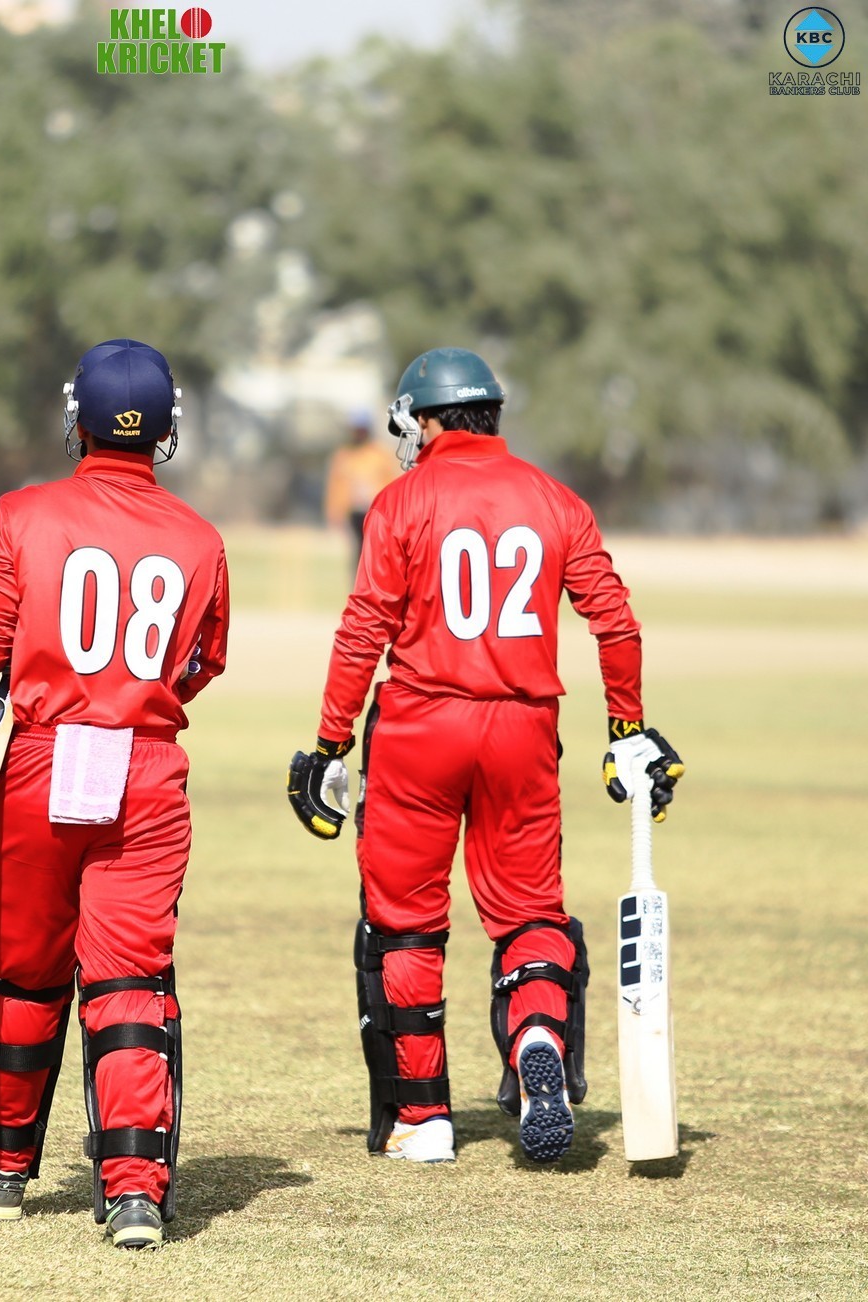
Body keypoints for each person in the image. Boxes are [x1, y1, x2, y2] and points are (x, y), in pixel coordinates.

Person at [287, 347, 684, 1166]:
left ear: (431, 420)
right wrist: (627, 729)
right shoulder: (556, 498)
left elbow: (363, 630)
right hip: (523, 729)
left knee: (405, 924)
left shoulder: (401, 501)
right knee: (530, 914)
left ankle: (424, 1119)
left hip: (420, 726)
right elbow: (615, 621)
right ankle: (536, 1033)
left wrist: (329, 741)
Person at [0, 339, 228, 1250]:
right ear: (166, 430)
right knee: (129, 978)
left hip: (41, 755)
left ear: (76, 420)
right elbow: (200, 665)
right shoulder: (200, 539)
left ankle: (2, 1170)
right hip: (144, 764)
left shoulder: (21, 513)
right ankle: (135, 1194)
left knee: (23, 969)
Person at [323, 410, 397, 573]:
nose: (358, 433)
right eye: (355, 429)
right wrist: (334, 513)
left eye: (361, 429)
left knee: (376, 551)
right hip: (354, 512)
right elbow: (336, 486)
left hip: (376, 512)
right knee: (358, 551)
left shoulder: (380, 454)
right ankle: (359, 583)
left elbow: (391, 484)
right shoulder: (344, 455)